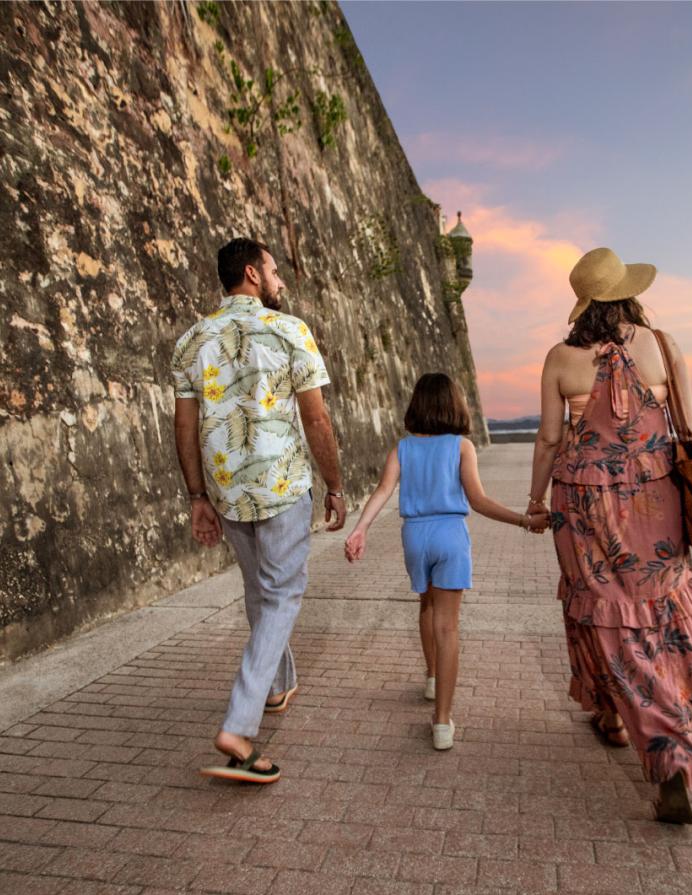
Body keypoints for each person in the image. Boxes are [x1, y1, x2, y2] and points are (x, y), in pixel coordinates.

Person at [527, 248, 692, 824]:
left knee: (605, 614)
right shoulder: (662, 344)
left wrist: (533, 500)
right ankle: (668, 728)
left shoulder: (560, 357)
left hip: (583, 504)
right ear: (627, 293)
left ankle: (640, 727)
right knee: (671, 608)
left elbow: (549, 440)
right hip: (657, 498)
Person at [171, 238, 346, 784]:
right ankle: (238, 727)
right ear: (252, 273)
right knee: (284, 594)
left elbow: (184, 427)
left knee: (260, 592)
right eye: (274, 271)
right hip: (282, 485)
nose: (281, 282)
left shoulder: (191, 341)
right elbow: (316, 421)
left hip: (227, 492)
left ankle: (276, 685)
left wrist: (198, 497)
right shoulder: (289, 330)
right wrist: (336, 484)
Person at [344, 373, 548, 750]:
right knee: (448, 627)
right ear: (454, 404)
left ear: (417, 405)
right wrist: (523, 520)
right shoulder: (461, 447)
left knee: (425, 604)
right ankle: (441, 722)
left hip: (414, 536)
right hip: (450, 535)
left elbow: (383, 490)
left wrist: (360, 530)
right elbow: (479, 501)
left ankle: (432, 676)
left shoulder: (402, 448)